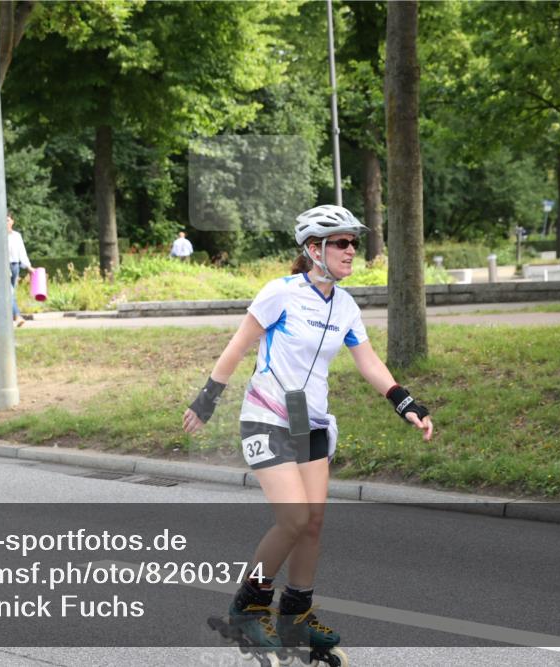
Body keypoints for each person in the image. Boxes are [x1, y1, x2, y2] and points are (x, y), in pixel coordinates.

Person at [183, 205, 433, 660]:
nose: (351, 250)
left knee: (313, 522)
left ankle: (295, 615)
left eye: (353, 242)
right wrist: (207, 398)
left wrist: (404, 402)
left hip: (310, 421)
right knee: (294, 518)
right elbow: (238, 345)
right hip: (267, 415)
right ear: (314, 249)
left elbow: (368, 361)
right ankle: (248, 607)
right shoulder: (281, 293)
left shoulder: (345, 305)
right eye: (342, 243)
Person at [7, 212, 32, 327]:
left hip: (15, 266)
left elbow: (22, 253)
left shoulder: (17, 236)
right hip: (4, 266)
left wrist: (28, 267)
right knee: (10, 292)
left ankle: (7, 318)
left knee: (10, 293)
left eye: (8, 220)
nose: (6, 223)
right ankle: (17, 316)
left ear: (12, 221)